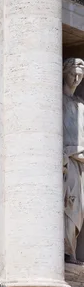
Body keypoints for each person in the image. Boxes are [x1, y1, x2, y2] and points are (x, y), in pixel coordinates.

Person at [63, 57, 84, 262]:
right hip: (66, 162)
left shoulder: (80, 104)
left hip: (79, 163)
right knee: (69, 206)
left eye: (80, 75)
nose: (76, 78)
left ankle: (72, 253)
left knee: (78, 210)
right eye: (73, 73)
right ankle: (67, 254)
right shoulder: (58, 101)